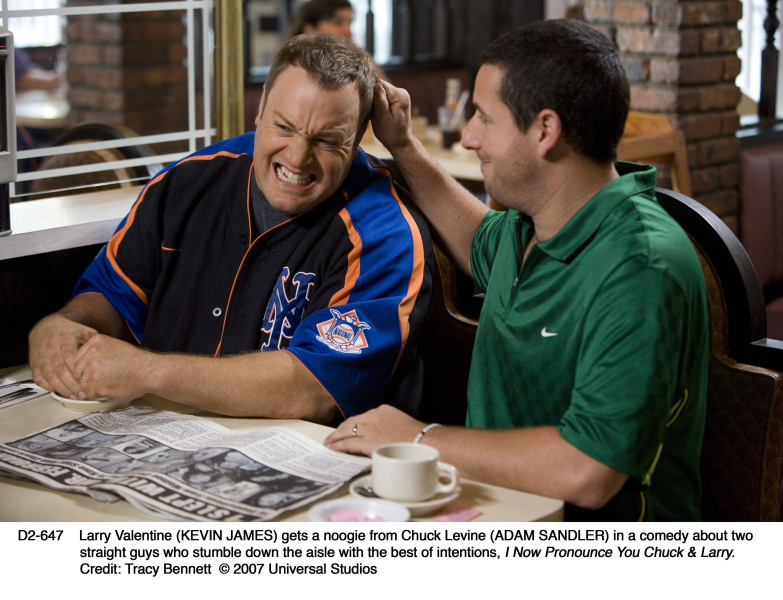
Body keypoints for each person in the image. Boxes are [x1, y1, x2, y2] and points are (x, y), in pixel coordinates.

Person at [325, 20, 709, 521]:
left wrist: (417, 438)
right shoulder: (531, 224)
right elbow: (472, 235)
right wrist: (403, 145)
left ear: (545, 131)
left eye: (485, 118)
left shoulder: (641, 267)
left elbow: (588, 470)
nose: (469, 137)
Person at [28, 34, 433, 425]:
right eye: (284, 127)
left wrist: (148, 371)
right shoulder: (187, 182)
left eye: (327, 141)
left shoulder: (386, 234)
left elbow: (310, 389)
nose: (297, 157)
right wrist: (64, 324)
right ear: (260, 109)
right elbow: (113, 293)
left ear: (358, 137)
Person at [290, 0, 388, 81]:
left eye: (350, 23)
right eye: (338, 22)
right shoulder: (294, 66)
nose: (348, 30)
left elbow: (387, 95)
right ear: (310, 29)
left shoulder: (361, 60)